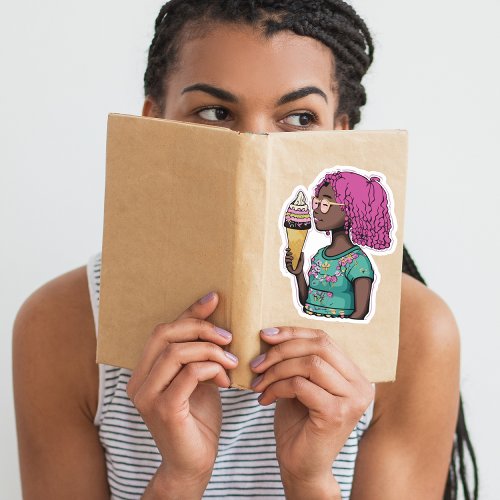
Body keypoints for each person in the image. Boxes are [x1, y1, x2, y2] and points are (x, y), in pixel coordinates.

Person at [12, 1, 478, 499]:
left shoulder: (417, 334)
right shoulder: (61, 326)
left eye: (299, 117)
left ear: (341, 139)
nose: (254, 148)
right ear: (153, 124)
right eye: (215, 112)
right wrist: (180, 477)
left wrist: (310, 479)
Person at [285, 169, 395, 320]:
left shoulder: (358, 262)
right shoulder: (319, 256)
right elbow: (308, 303)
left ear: (351, 210)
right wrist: (298, 274)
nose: (316, 210)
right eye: (316, 202)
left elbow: (360, 313)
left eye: (325, 204)